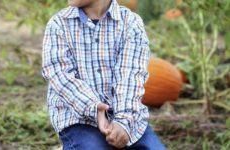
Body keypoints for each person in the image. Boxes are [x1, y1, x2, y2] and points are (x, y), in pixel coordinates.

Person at [41, 0, 166, 149]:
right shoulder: (58, 24)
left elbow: (131, 76)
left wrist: (123, 122)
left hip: (128, 119)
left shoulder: (130, 23)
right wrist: (95, 108)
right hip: (80, 119)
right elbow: (60, 76)